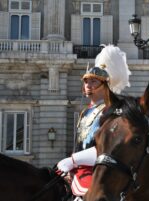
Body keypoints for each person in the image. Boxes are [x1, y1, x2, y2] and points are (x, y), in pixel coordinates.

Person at [57, 44, 131, 197]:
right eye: (86, 81)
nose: (88, 85)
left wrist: (73, 160)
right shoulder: (85, 112)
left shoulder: (111, 112)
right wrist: (72, 165)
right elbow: (79, 144)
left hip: (100, 170)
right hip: (79, 169)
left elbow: (107, 148)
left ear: (105, 86)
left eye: (93, 82)